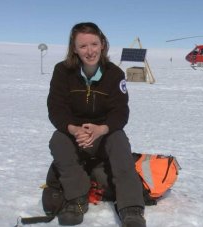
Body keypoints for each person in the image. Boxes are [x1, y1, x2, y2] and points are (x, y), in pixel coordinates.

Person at [47, 22, 146, 226]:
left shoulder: (114, 74)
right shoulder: (62, 71)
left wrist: (102, 129)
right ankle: (76, 200)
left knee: (119, 141)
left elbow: (120, 112)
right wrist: (74, 130)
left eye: (94, 44)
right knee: (58, 140)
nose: (89, 51)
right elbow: (56, 109)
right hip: (76, 135)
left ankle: (131, 208)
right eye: (82, 46)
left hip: (104, 135)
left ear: (102, 44)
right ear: (74, 48)